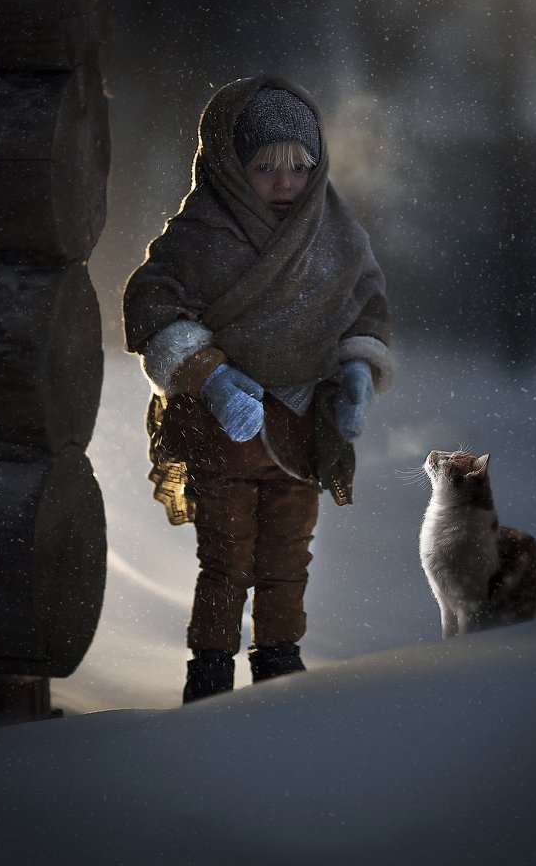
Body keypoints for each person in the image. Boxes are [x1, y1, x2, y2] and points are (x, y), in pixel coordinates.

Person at [123, 75, 394, 703]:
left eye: (300, 166)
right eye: (264, 166)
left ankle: (279, 663)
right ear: (226, 163)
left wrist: (357, 371)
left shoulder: (336, 234)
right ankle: (211, 670)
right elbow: (152, 304)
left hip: (303, 430)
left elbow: (365, 308)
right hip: (222, 433)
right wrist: (210, 376)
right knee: (225, 559)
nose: (285, 184)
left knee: (288, 558)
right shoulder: (199, 234)